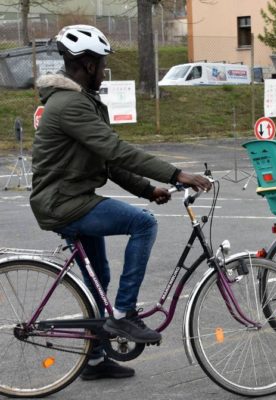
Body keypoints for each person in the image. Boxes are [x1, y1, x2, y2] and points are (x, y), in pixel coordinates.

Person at [30, 25, 211, 380]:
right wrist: (175, 174)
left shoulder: (80, 101)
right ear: (85, 64)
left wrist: (148, 189)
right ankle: (125, 315)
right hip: (64, 203)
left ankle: (95, 360)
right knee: (143, 224)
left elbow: (107, 161)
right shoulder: (70, 105)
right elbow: (116, 150)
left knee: (98, 279)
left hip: (73, 197)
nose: (103, 69)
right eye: (100, 62)